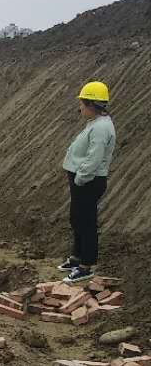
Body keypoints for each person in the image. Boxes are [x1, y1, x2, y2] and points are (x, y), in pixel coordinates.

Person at [60, 80, 116, 282]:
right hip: (83, 180)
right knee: (77, 218)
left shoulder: (101, 128)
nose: (80, 107)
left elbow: (94, 158)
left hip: (88, 181)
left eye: (82, 104)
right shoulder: (95, 124)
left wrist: (81, 178)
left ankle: (87, 265)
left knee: (86, 222)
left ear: (92, 105)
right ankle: (77, 258)